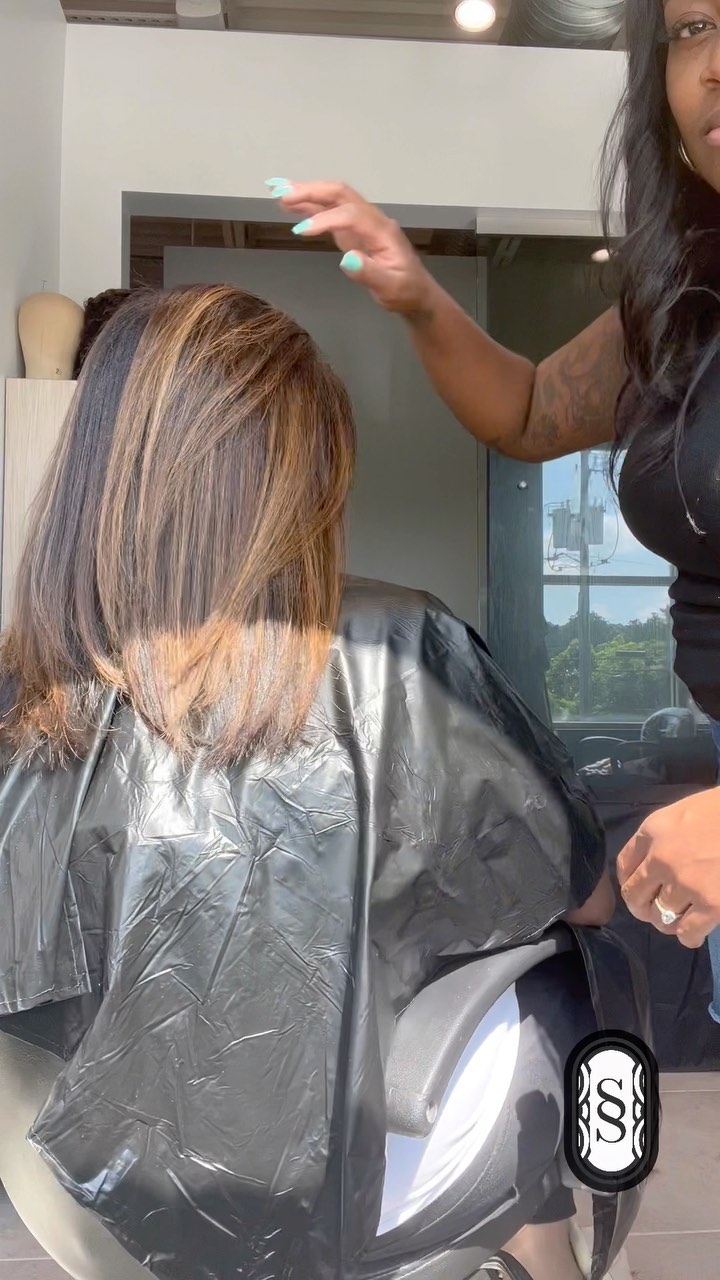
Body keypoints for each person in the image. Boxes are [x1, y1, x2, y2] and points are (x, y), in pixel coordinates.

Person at [0, 285, 628, 1280]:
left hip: (88, 1209)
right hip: (371, 1197)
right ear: (307, 479)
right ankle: (544, 1250)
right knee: (560, 979)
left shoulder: (23, 696)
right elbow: (587, 893)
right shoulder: (402, 649)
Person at [269, 0, 720, 1024]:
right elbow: (526, 411)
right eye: (691, 27)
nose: (712, 64)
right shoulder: (681, 301)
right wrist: (419, 295)